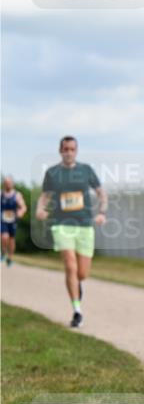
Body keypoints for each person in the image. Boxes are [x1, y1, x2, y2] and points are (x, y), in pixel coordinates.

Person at [35, 136, 106, 327]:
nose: (69, 153)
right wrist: (40, 209)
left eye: (72, 149)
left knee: (82, 273)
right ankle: (77, 311)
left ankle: (77, 283)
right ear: (60, 151)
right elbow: (45, 196)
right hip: (61, 224)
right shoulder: (53, 172)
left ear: (77, 151)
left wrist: (102, 212)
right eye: (65, 149)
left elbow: (101, 193)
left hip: (84, 225)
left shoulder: (86, 170)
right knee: (70, 266)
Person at [1, 176, 27, 267]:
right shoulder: (1, 194)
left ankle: (10, 258)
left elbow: (23, 207)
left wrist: (21, 212)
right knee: (4, 237)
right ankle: (3, 251)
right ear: (4, 184)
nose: (7, 184)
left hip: (12, 220)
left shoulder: (17, 195)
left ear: (12, 184)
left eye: (9, 183)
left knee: (11, 240)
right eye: (6, 183)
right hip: (3, 220)